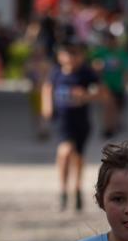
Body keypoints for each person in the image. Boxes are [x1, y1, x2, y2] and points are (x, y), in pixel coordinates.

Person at [41, 42, 99, 212]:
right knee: (65, 151)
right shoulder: (56, 73)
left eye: (75, 54)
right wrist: (47, 106)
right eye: (67, 54)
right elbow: (47, 87)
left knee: (78, 157)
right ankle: (63, 190)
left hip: (81, 122)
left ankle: (77, 188)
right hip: (62, 121)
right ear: (60, 56)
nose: (71, 58)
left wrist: (86, 96)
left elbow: (102, 93)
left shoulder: (86, 73)